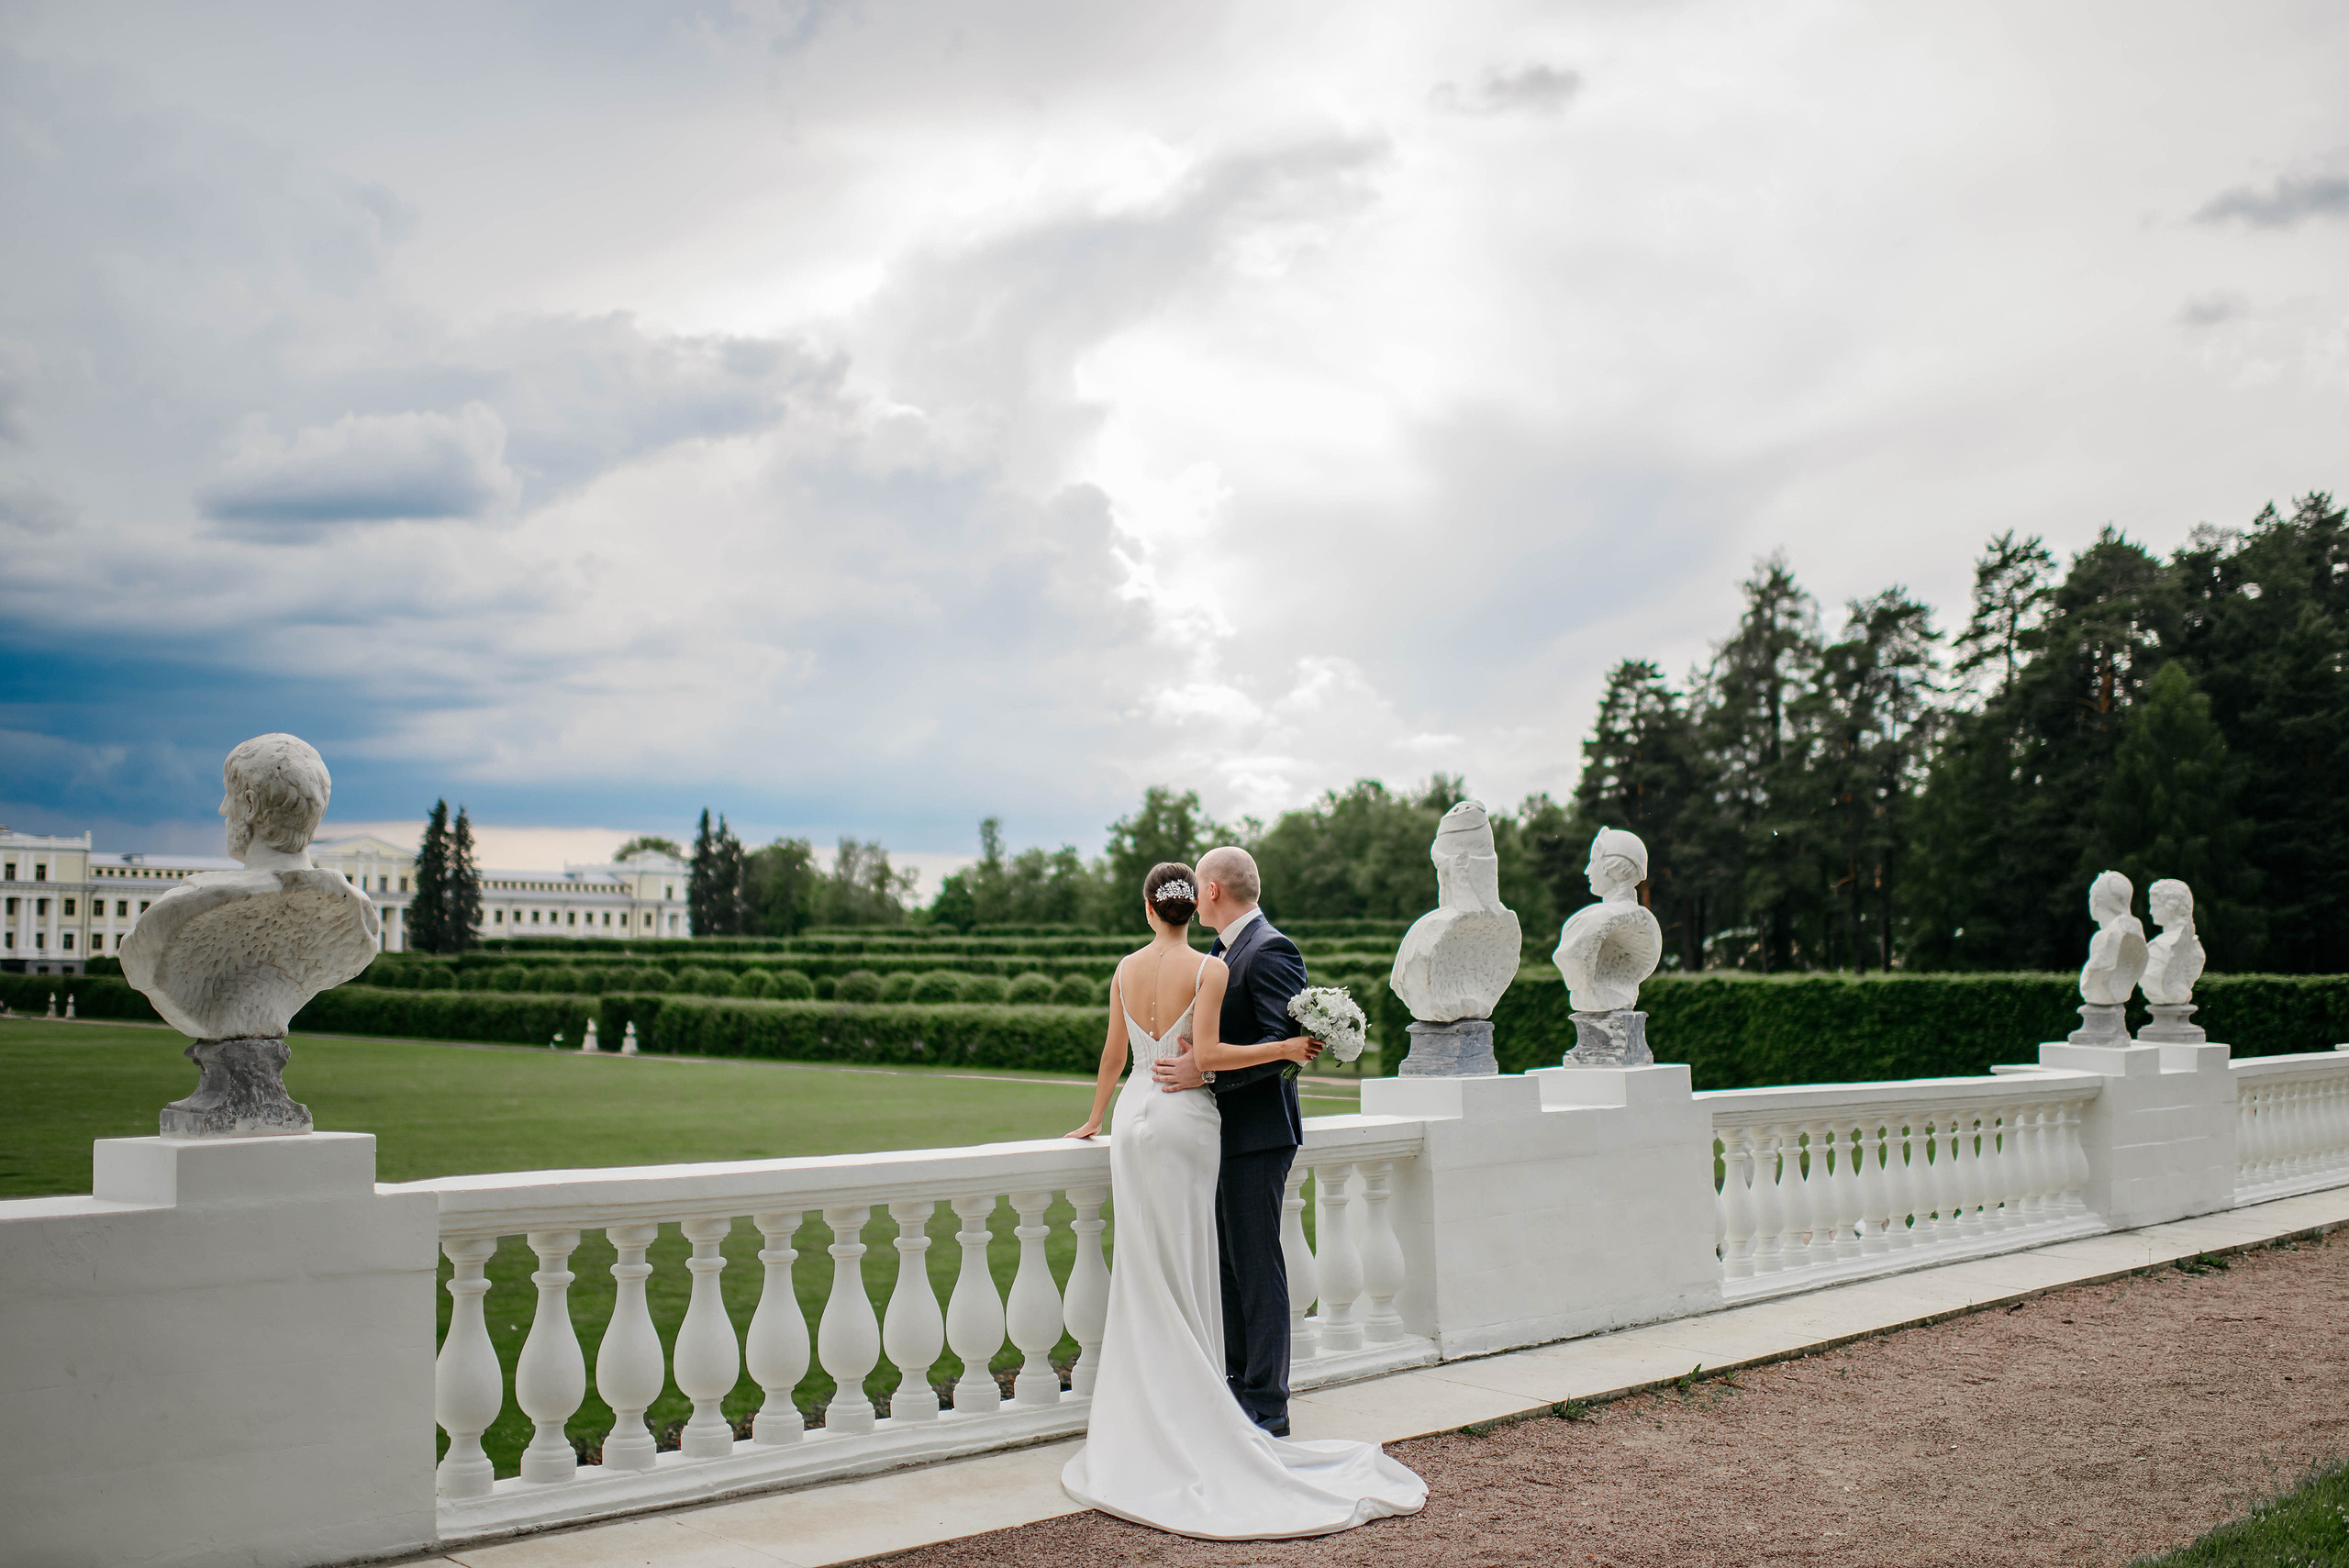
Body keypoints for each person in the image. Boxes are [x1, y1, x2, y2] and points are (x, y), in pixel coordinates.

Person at [1059, 860, 1426, 1539]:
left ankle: (1265, 1408)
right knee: (1215, 1265)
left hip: (1248, 1134)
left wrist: (1200, 1066)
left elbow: (1281, 1054)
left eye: (1204, 886)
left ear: (1209, 892)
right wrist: (1214, 1059)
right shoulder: (1215, 959)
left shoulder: (1268, 948)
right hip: (1194, 1126)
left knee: (1249, 1266)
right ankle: (1223, 1390)